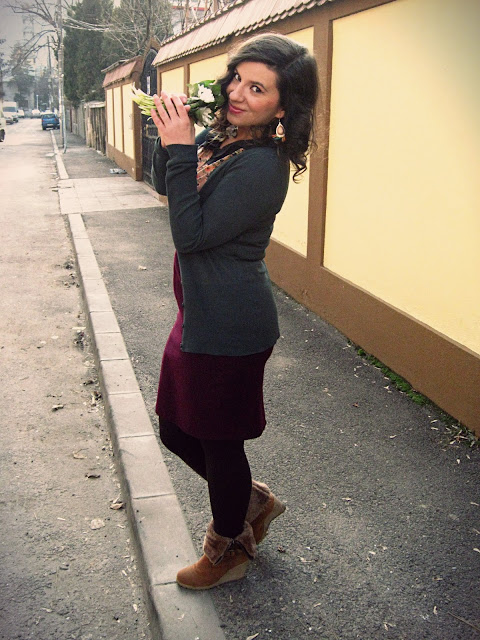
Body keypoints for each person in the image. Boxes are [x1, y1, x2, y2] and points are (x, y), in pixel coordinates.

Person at [150, 32, 319, 590]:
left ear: (283, 107)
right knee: (175, 429)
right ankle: (251, 502)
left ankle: (229, 547)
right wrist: (172, 141)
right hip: (197, 315)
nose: (238, 94)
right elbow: (168, 188)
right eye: (237, 79)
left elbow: (190, 234)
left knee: (219, 441)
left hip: (230, 326)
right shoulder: (218, 138)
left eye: (257, 88)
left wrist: (181, 151)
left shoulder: (263, 167)